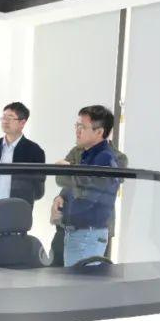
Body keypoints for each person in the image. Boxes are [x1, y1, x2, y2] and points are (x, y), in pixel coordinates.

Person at [52, 105, 120, 266]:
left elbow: (87, 196)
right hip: (79, 234)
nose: (77, 130)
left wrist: (68, 170)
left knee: (80, 281)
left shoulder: (104, 158)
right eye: (77, 125)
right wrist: (61, 198)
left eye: (82, 127)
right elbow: (72, 186)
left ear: (99, 132)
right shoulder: (85, 154)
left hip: (87, 235)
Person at [50, 140, 128, 267]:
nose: (79, 132)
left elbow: (92, 187)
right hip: (66, 227)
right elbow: (62, 179)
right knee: (57, 271)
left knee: (87, 275)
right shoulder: (76, 151)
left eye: (84, 129)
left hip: (93, 230)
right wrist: (60, 197)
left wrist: (71, 170)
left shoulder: (117, 157)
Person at [0, 101, 46, 236]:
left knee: (14, 248)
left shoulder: (34, 151)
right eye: (3, 117)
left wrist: (24, 198)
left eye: (10, 118)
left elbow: (38, 189)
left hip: (16, 212)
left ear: (22, 122)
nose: (5, 121)